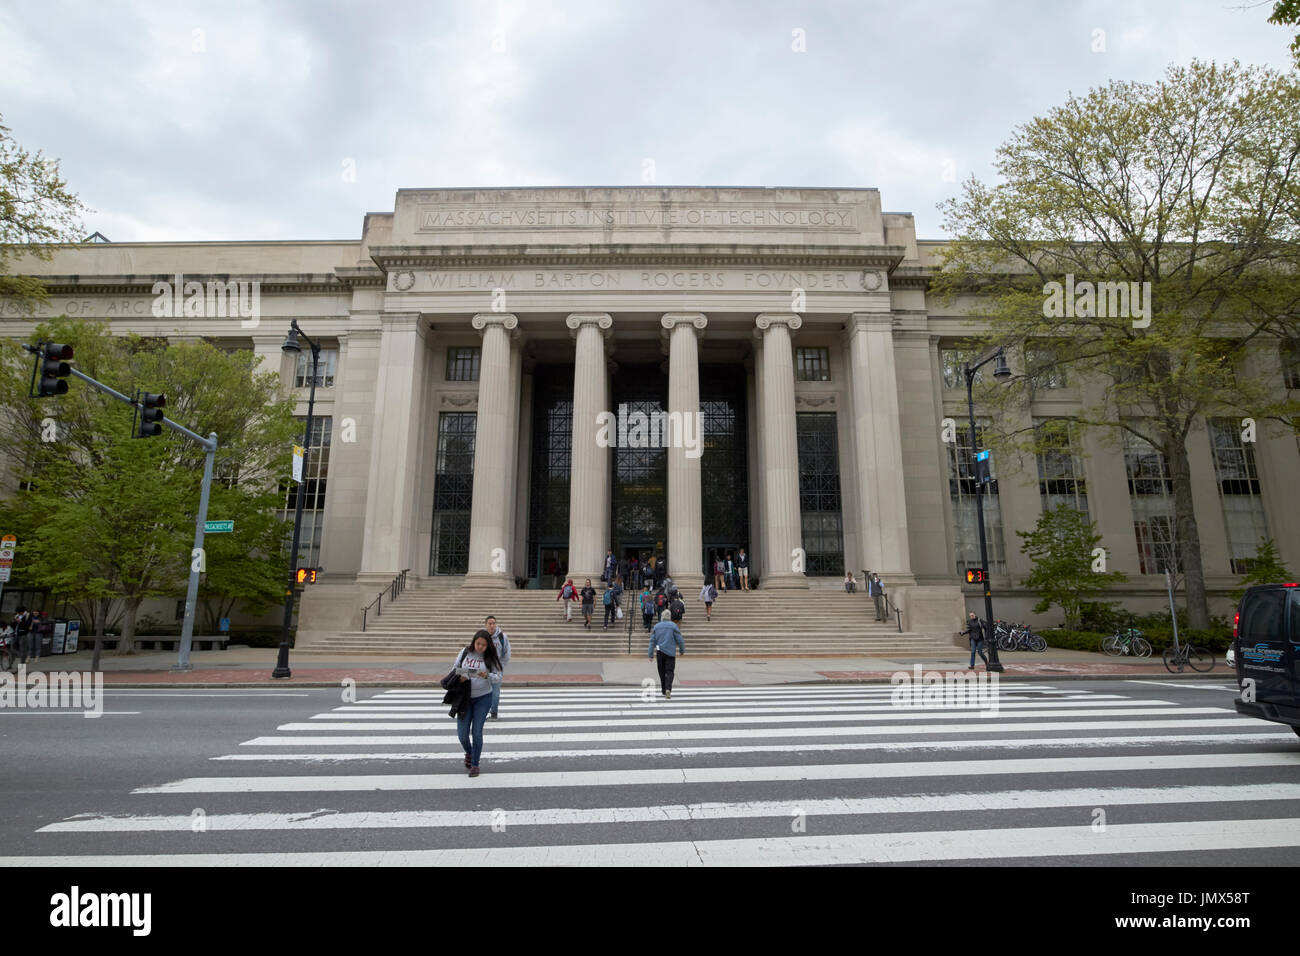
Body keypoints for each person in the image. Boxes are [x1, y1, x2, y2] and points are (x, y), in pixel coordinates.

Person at [453, 629, 503, 777]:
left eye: (483, 645)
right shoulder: (465, 652)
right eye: (478, 643)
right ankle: (470, 752)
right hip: (465, 697)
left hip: (483, 697)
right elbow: (455, 669)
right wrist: (462, 676)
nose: (480, 647)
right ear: (474, 642)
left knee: (476, 731)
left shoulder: (490, 658)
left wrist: (487, 675)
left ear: (488, 646)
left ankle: (475, 764)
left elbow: (498, 677)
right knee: (462, 735)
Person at [648, 609, 685, 699]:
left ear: (662, 617)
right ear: (669, 617)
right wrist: (682, 650)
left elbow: (652, 641)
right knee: (670, 671)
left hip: (660, 652)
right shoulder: (673, 626)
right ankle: (668, 688)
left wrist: (650, 654)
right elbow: (680, 639)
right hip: (670, 653)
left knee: (662, 671)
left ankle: (664, 689)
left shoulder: (657, 626)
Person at [484, 614, 510, 719]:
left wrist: (501, 666)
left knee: (495, 692)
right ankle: (482, 712)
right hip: (483, 668)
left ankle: (494, 712)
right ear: (486, 625)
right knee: (482, 691)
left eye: (494, 623)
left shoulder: (502, 637)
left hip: (497, 668)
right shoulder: (482, 636)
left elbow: (507, 653)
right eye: (490, 623)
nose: (492, 626)